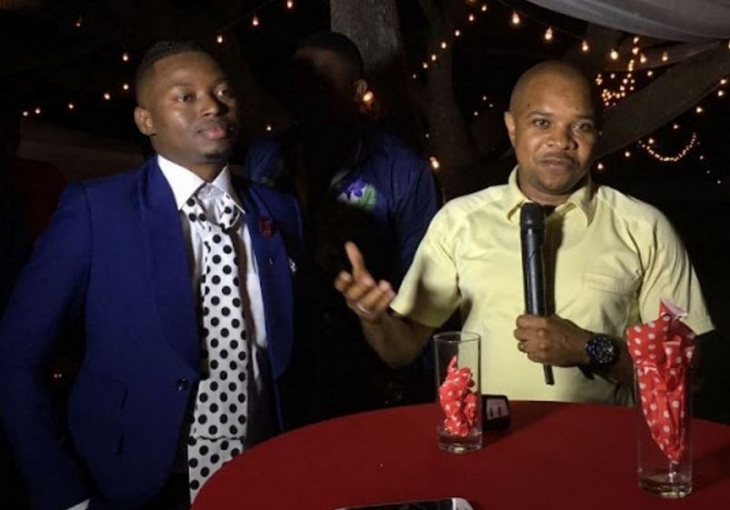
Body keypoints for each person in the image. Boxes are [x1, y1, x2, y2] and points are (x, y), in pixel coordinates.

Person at [0, 41, 304, 510]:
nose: (212, 105)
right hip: (131, 486)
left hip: (263, 477)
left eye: (223, 91)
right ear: (146, 121)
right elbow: (17, 359)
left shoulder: (279, 212)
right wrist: (65, 496)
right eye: (186, 96)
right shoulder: (95, 210)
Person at [335, 60, 714, 405]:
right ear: (511, 127)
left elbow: (688, 374)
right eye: (542, 123)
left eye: (580, 126)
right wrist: (374, 319)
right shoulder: (460, 221)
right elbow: (400, 351)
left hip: (600, 448)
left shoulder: (643, 228)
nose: (562, 141)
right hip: (489, 444)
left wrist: (591, 348)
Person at [244, 32, 439, 419]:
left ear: (358, 90)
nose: (308, 91)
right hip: (284, 363)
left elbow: (419, 284)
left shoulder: (403, 170)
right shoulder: (265, 158)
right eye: (300, 79)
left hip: (368, 368)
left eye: (322, 78)